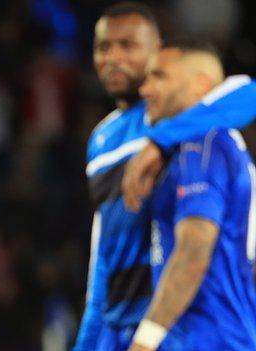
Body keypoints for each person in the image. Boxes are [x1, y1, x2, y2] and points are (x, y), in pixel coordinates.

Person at [76, 2, 256, 350]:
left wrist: (159, 142)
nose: (113, 57)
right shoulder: (100, 140)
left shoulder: (185, 119)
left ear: (156, 51)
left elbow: (247, 93)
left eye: (127, 46)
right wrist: (89, 338)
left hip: (174, 315)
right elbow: (104, 249)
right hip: (122, 322)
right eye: (103, 47)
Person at [128, 39, 256, 351]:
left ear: (200, 85)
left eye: (160, 77)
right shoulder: (209, 145)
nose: (145, 89)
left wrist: (143, 343)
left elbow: (193, 253)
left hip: (207, 338)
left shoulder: (203, 146)